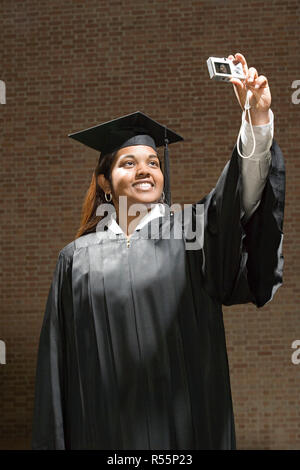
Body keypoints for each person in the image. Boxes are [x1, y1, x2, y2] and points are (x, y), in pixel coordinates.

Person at [32, 53, 285, 450]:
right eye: (128, 163)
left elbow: (239, 201)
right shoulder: (76, 261)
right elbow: (55, 371)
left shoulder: (192, 233)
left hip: (186, 436)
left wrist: (256, 122)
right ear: (104, 182)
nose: (144, 170)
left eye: (153, 161)